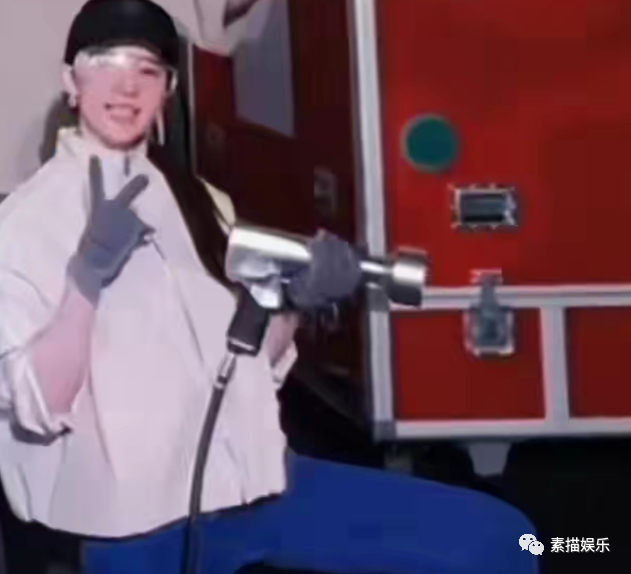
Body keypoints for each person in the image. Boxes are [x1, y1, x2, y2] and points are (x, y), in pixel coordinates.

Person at [0, 1, 539, 574]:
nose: (127, 85)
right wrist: (85, 281)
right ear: (71, 81)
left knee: (506, 541)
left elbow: (245, 368)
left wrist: (296, 302)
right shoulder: (27, 223)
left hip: (254, 487)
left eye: (147, 69)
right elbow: (36, 406)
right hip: (134, 528)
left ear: (169, 90)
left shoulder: (200, 202)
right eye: (105, 62)